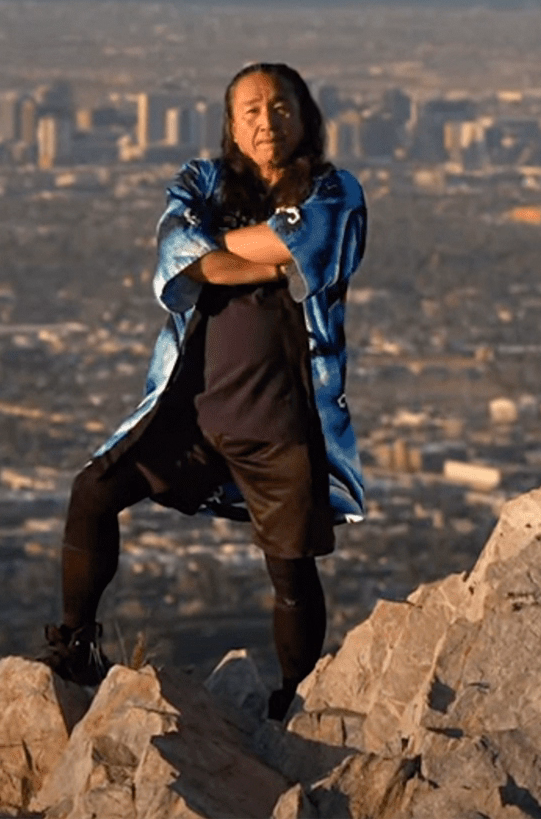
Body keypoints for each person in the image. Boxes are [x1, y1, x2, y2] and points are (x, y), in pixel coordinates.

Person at [41, 62, 368, 721]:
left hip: (281, 418)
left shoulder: (335, 190)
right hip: (190, 411)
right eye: (251, 110)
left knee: (291, 567)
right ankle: (75, 646)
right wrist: (276, 259)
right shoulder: (202, 181)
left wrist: (225, 251)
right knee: (93, 491)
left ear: (305, 118)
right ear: (232, 126)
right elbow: (179, 254)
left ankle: (296, 698)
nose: (266, 121)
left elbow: (307, 242)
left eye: (280, 107)